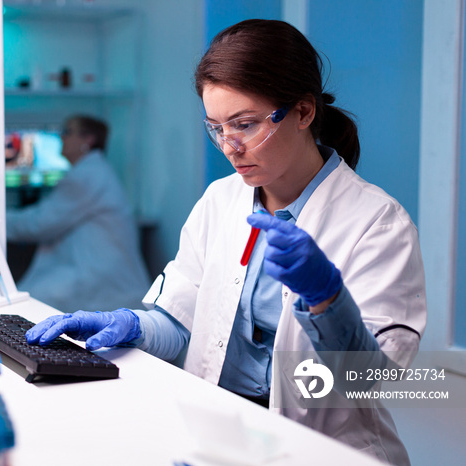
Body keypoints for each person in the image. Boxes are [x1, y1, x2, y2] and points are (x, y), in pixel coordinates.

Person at [24, 19, 427, 464]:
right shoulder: (220, 201)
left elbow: (376, 382)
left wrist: (327, 301)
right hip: (221, 436)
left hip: (326, 452)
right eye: (216, 128)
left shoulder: (377, 222)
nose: (230, 146)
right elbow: (180, 326)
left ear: (304, 112)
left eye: (246, 124)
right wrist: (132, 325)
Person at [6, 115, 151, 313]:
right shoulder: (93, 171)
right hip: (98, 274)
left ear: (88, 140)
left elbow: (39, 224)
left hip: (101, 281)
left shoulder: (88, 176)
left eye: (67, 132)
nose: (61, 138)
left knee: (23, 305)